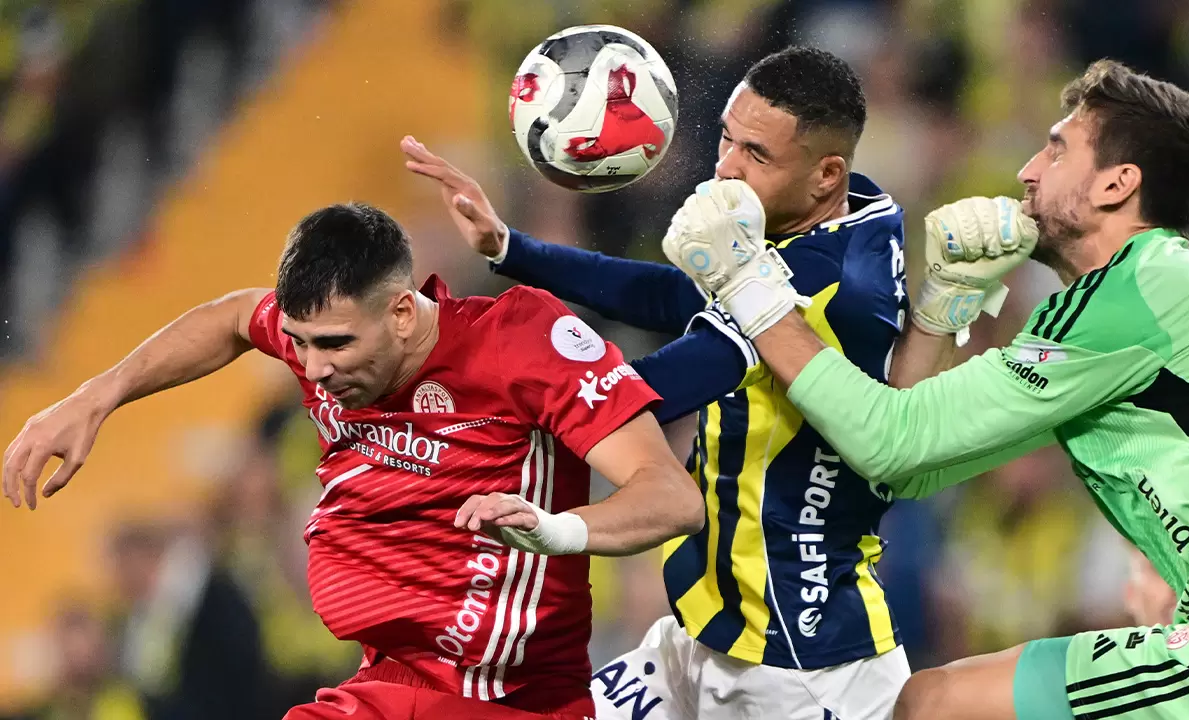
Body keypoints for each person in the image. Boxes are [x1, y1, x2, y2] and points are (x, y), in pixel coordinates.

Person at [402, 46, 1032, 720]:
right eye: (727, 139)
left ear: (826, 173)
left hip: (800, 665)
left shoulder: (820, 284)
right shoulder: (860, 212)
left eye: (756, 155)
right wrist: (511, 248)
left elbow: (659, 386)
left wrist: (479, 418)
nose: (727, 166)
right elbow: (676, 295)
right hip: (709, 636)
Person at [663, 58, 1189, 718]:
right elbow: (910, 467)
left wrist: (747, 283)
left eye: (1057, 150)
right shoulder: (1148, 299)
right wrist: (945, 304)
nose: (1028, 172)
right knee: (931, 702)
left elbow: (890, 442)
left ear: (1116, 184)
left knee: (933, 707)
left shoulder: (1130, 299)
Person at [2, 202, 705, 720]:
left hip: (508, 700)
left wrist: (554, 529)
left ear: (402, 312)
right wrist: (98, 396)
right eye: (299, 342)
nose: (313, 368)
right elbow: (232, 317)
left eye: (334, 344)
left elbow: (671, 498)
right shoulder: (327, 341)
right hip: (385, 685)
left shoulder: (520, 341)